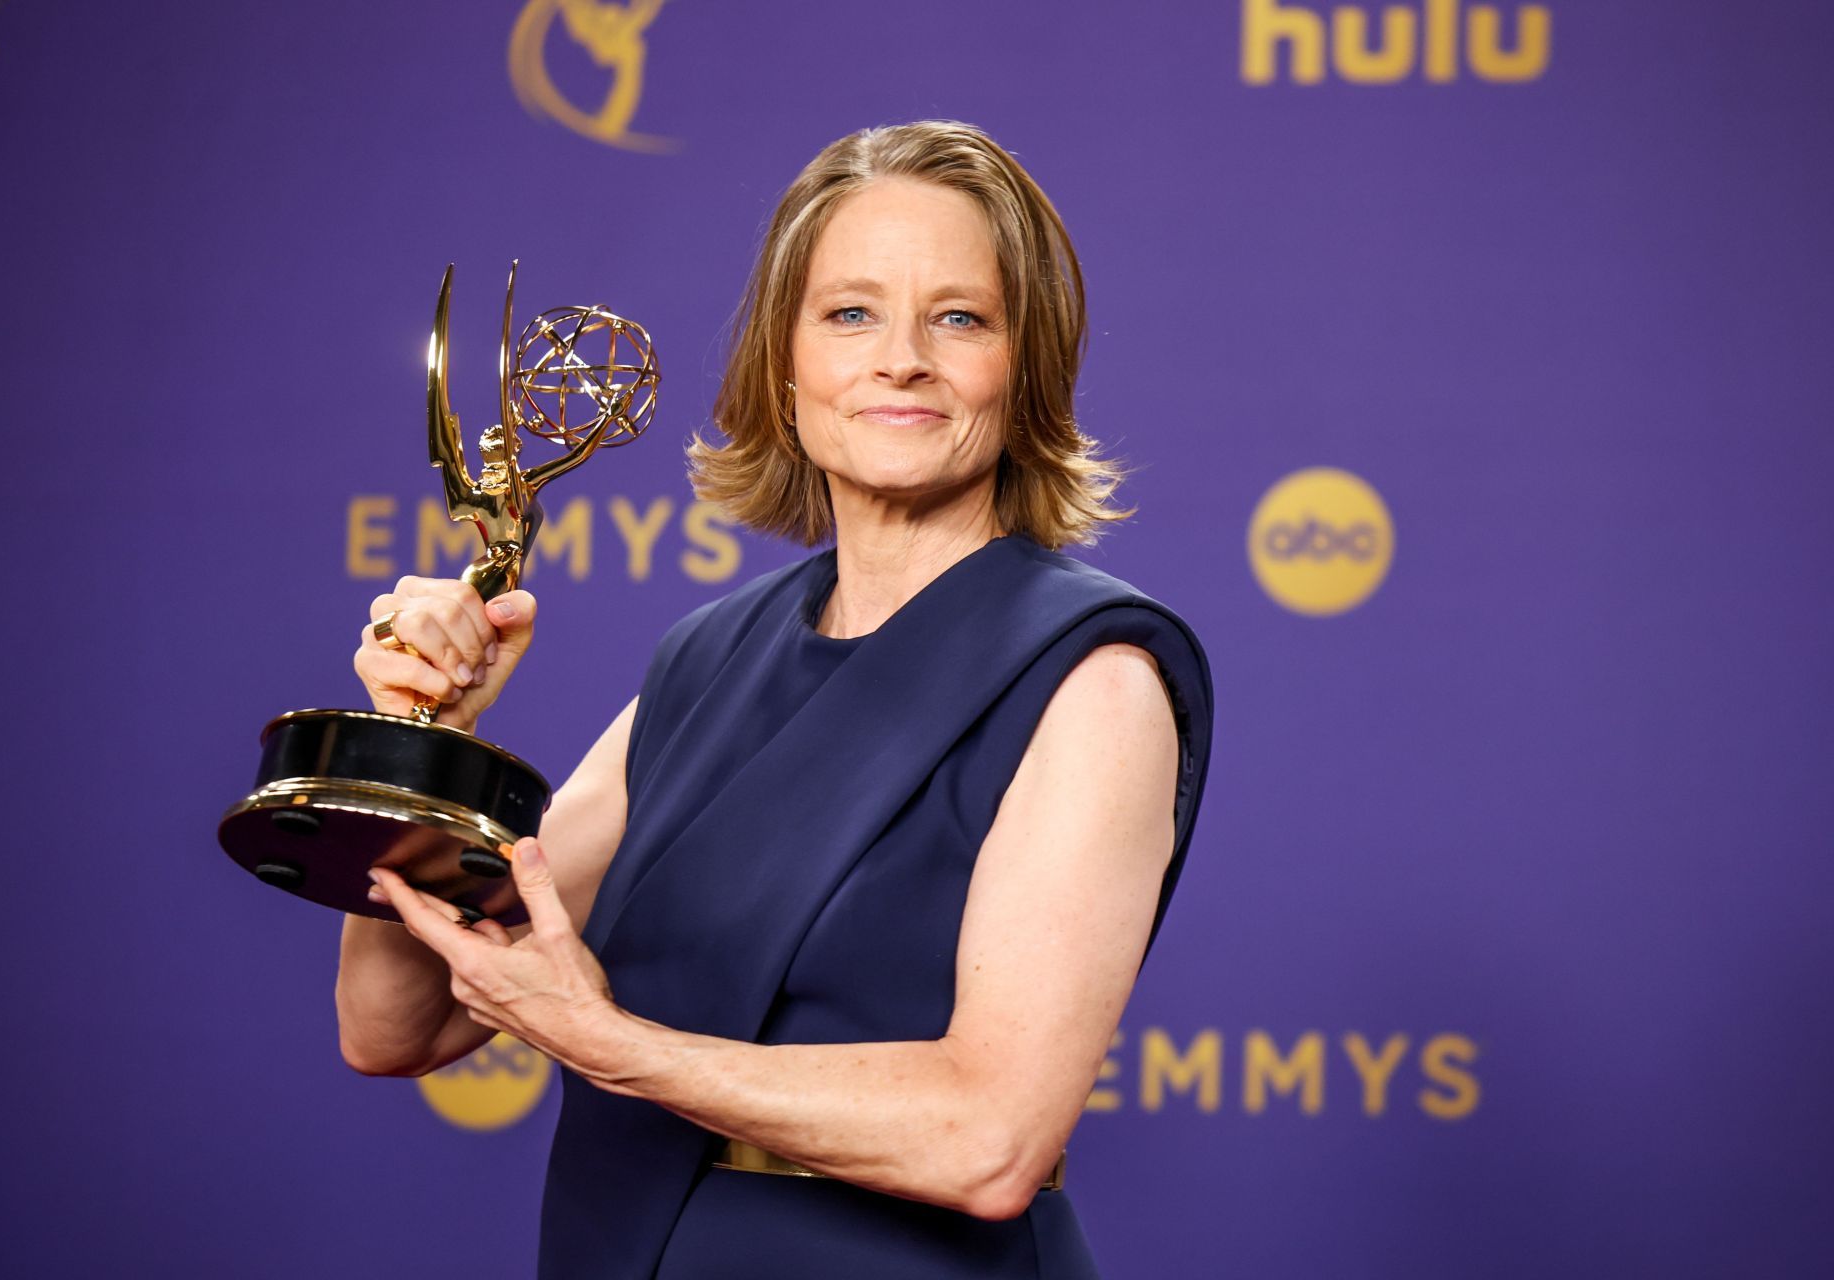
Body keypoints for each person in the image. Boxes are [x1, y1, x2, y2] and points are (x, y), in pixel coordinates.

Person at [335, 120, 1214, 1279]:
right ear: (784, 364)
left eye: (960, 316)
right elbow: (398, 1025)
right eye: (850, 313)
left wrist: (614, 1046)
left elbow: (990, 1136)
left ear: (1025, 364)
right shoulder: (707, 658)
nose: (901, 357)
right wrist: (426, 745)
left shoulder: (1092, 675)